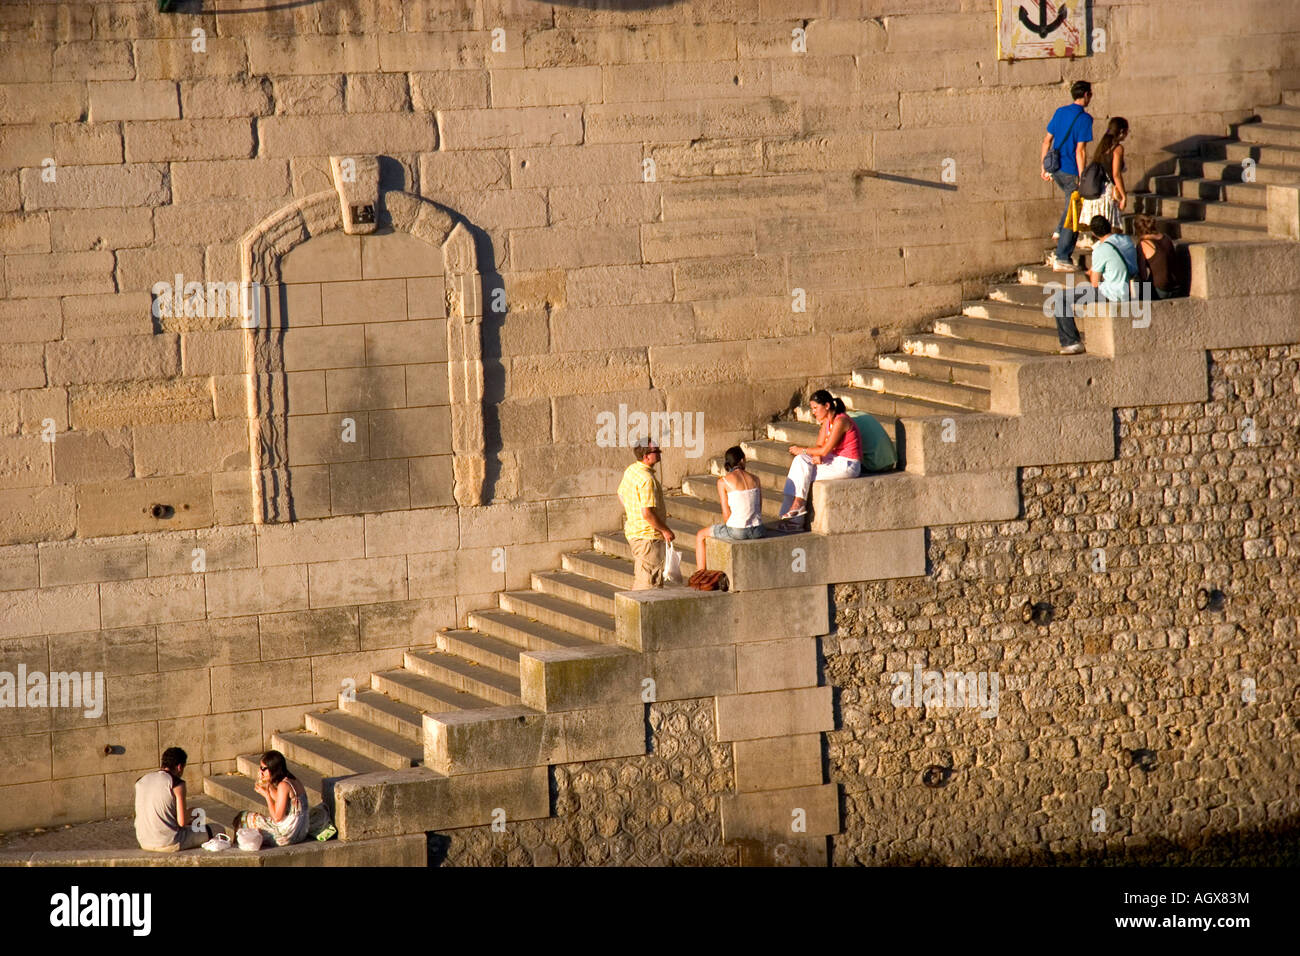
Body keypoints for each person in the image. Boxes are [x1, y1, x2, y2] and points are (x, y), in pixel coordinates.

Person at [779, 390, 862, 527]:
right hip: (832, 460)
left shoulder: (841, 421)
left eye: (816, 408)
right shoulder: (826, 422)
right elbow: (819, 445)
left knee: (802, 471)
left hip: (847, 465)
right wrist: (815, 454)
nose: (813, 412)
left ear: (827, 406)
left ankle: (795, 515)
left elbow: (824, 449)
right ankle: (792, 511)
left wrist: (803, 450)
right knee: (800, 461)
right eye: (812, 408)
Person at [1041, 80, 1094, 272]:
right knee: (1074, 213)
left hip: (1055, 170)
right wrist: (1083, 177)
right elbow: (1080, 151)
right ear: (1086, 95)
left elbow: (1047, 141)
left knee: (1069, 205)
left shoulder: (1060, 112)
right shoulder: (1085, 119)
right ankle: (1062, 256)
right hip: (1071, 171)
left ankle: (1058, 230)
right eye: (1091, 94)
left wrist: (1043, 166)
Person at [616, 439, 674, 589]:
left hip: (635, 532)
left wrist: (632, 513)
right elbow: (647, 513)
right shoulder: (647, 479)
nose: (660, 453)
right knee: (649, 584)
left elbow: (621, 494)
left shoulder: (631, 470)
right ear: (646, 456)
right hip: (648, 537)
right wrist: (665, 530)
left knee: (643, 576)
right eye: (656, 451)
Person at [695, 446, 764, 570]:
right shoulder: (756, 479)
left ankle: (701, 574)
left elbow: (726, 514)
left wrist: (731, 527)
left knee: (700, 535)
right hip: (758, 529)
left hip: (738, 530)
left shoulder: (723, 482)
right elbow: (759, 507)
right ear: (742, 460)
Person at [135, 746, 211, 852]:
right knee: (217, 829)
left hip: (143, 841)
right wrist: (192, 811)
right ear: (179, 767)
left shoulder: (141, 780)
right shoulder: (177, 784)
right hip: (168, 842)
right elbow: (182, 822)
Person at [237, 749, 309, 847]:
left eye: (263, 769)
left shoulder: (283, 785)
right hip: (301, 832)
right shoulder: (293, 780)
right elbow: (281, 801)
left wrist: (267, 795)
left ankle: (236, 845)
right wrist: (269, 786)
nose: (260, 771)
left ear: (273, 768)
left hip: (287, 835)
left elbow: (277, 818)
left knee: (243, 817)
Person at [1078, 117, 1129, 241]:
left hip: (1096, 192)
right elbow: (1116, 174)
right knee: (1112, 228)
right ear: (1122, 131)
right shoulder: (1118, 148)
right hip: (1107, 192)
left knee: (1099, 230)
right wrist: (1123, 196)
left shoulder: (1102, 145)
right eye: (1127, 131)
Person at [1087, 214, 1138, 305]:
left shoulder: (1100, 250)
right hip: (1133, 290)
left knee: (1061, 298)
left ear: (1093, 233)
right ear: (1110, 226)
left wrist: (1091, 272)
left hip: (1113, 294)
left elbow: (1094, 284)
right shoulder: (1127, 239)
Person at [1132, 214, 1185, 299]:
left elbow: (1143, 274)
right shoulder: (1166, 237)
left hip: (1161, 289)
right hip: (1176, 286)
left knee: (1138, 282)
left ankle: (1144, 306)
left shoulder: (1143, 244)